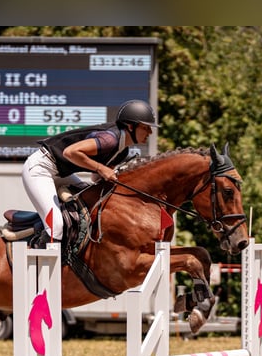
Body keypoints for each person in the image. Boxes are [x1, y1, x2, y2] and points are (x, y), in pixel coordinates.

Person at [22, 99, 159, 247]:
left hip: (61, 173)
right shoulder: (109, 139)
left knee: (90, 200)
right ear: (130, 126)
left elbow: (95, 178)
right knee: (55, 226)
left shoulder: (122, 151)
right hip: (40, 168)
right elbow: (70, 152)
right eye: (146, 127)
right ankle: (33, 255)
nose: (150, 132)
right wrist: (102, 168)